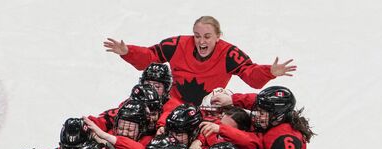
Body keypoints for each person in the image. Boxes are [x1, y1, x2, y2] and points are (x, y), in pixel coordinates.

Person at [104, 15, 296, 108]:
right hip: (174, 103)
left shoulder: (229, 53)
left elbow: (251, 75)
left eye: (207, 36)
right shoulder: (177, 44)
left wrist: (270, 72)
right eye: (197, 36)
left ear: (218, 36)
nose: (201, 41)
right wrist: (128, 52)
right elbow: (151, 57)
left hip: (209, 107)